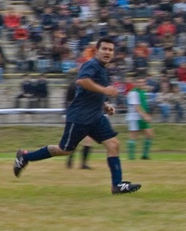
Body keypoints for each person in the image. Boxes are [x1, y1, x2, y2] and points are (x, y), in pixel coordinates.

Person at [13, 37, 140, 195]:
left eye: (110, 50)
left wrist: (104, 105)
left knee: (113, 144)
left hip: (96, 117)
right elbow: (81, 81)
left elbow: (88, 92)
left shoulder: (102, 69)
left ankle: (117, 185)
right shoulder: (91, 64)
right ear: (97, 51)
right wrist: (105, 91)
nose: (108, 52)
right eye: (104, 49)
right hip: (80, 117)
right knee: (64, 149)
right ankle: (25, 157)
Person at [125, 75, 154, 160]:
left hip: (141, 116)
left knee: (149, 134)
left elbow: (143, 104)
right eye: (139, 82)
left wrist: (147, 114)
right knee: (133, 136)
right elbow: (136, 107)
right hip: (134, 117)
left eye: (142, 82)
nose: (141, 84)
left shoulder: (142, 92)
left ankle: (144, 155)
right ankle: (131, 156)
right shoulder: (133, 93)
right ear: (135, 83)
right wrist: (145, 116)